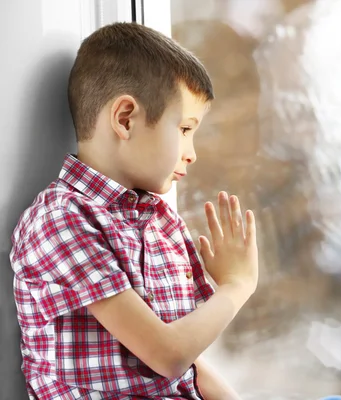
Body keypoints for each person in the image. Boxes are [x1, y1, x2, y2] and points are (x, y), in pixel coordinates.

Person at [9, 22, 258, 400]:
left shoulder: (160, 221)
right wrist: (237, 286)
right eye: (186, 129)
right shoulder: (61, 220)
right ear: (125, 118)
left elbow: (187, 367)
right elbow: (167, 355)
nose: (192, 153)